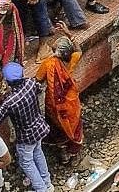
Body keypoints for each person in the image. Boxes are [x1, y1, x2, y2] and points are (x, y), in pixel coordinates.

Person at [0, 63, 51, 192]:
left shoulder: (9, 102)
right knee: (38, 153)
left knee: (26, 162)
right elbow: (39, 88)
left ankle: (41, 189)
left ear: (7, 81)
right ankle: (47, 183)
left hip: (26, 136)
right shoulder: (31, 83)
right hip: (39, 127)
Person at [36, 24, 82, 164]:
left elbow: (38, 79)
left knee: (57, 128)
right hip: (71, 102)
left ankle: (63, 151)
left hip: (54, 105)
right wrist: (69, 34)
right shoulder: (73, 59)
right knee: (73, 125)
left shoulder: (49, 64)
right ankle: (73, 152)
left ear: (56, 52)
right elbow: (79, 49)